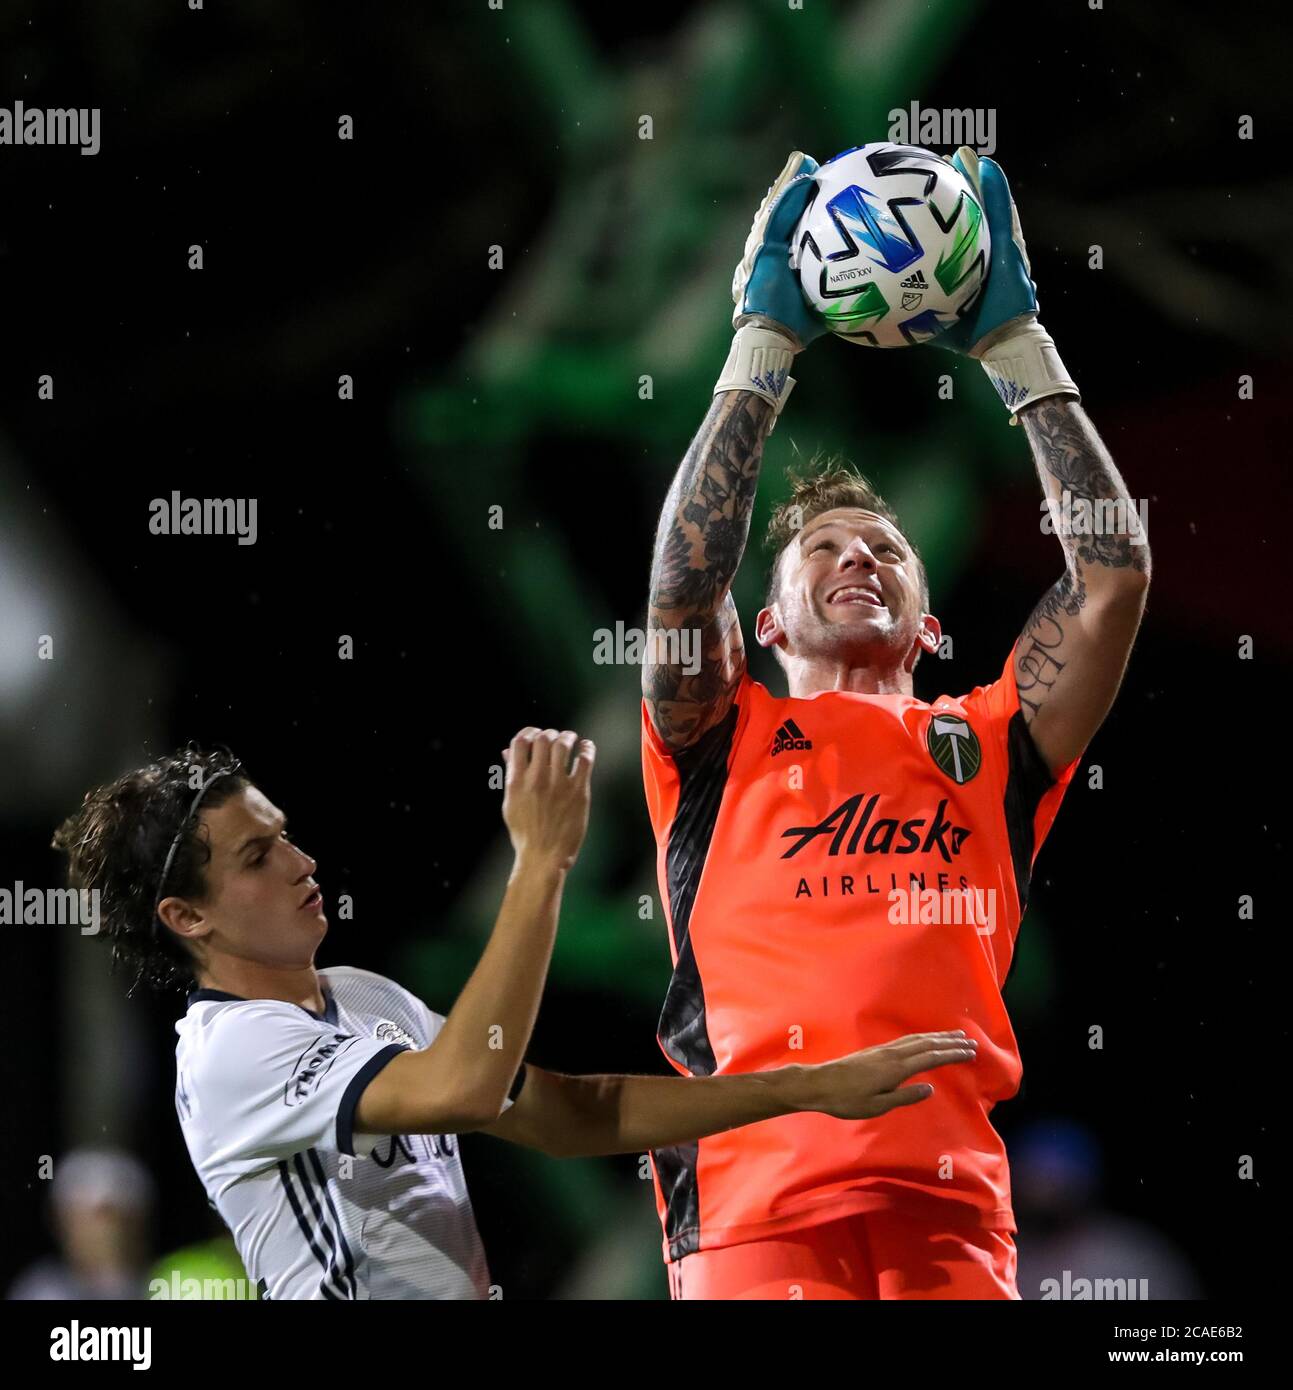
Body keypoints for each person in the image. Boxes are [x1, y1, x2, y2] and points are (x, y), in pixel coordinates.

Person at [639, 147, 1151, 1299]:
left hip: (953, 1210)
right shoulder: (717, 736)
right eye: (821, 549)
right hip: (752, 1205)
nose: (856, 555)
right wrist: (760, 352)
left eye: (884, 548)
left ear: (928, 624)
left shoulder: (996, 740)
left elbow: (1112, 580)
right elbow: (681, 585)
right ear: (766, 622)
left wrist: (1018, 351)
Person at [51, 728, 977, 1299]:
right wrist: (540, 864)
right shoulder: (227, 1054)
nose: (299, 861)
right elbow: (467, 1082)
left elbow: (571, 1116)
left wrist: (806, 1087)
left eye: (285, 834)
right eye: (256, 857)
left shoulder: (364, 997)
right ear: (188, 917)